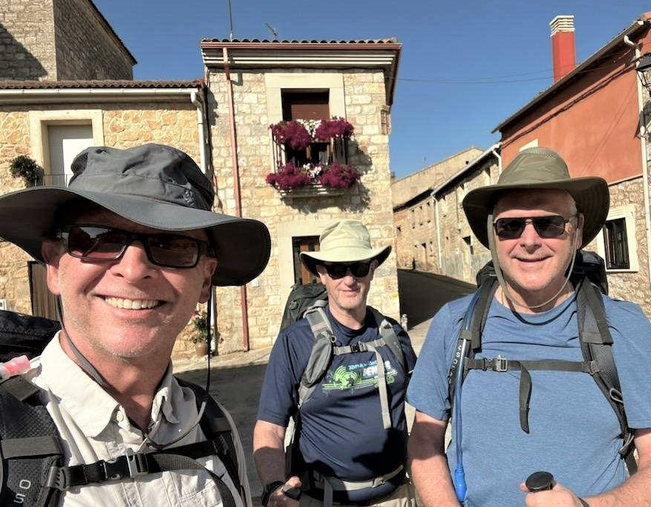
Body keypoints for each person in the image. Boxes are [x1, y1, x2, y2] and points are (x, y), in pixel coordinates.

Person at [406, 147, 651, 507]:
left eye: (549, 223)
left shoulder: (624, 326)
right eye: (510, 226)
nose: (529, 241)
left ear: (577, 232)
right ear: (494, 236)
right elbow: (424, 440)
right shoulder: (453, 324)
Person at [0, 143, 271, 507]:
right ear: (53, 266)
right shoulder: (7, 437)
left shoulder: (213, 424)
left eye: (171, 244)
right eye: (97, 239)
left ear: (205, 281)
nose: (133, 269)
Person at [253, 220, 417, 507]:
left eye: (359, 267)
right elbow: (270, 427)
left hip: (398, 496)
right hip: (322, 499)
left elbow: (430, 410)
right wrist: (274, 487)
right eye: (337, 269)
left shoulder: (394, 335)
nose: (349, 279)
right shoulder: (296, 341)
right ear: (321, 273)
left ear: (373, 270)